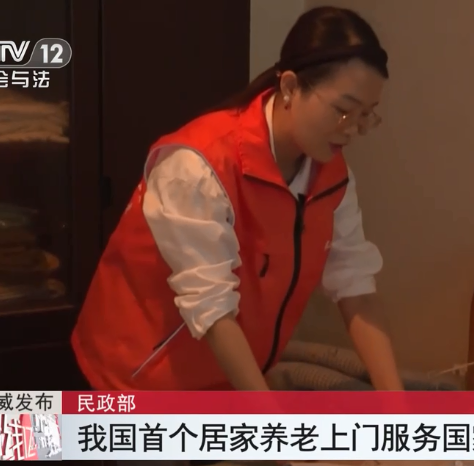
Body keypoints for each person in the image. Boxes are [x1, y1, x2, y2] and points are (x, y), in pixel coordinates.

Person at [71, 5, 404, 400]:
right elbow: (213, 312)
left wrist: (397, 406)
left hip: (228, 383)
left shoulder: (332, 178)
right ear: (290, 86)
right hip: (138, 384)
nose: (353, 130)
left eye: (366, 115)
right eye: (344, 111)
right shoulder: (197, 165)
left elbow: (356, 290)